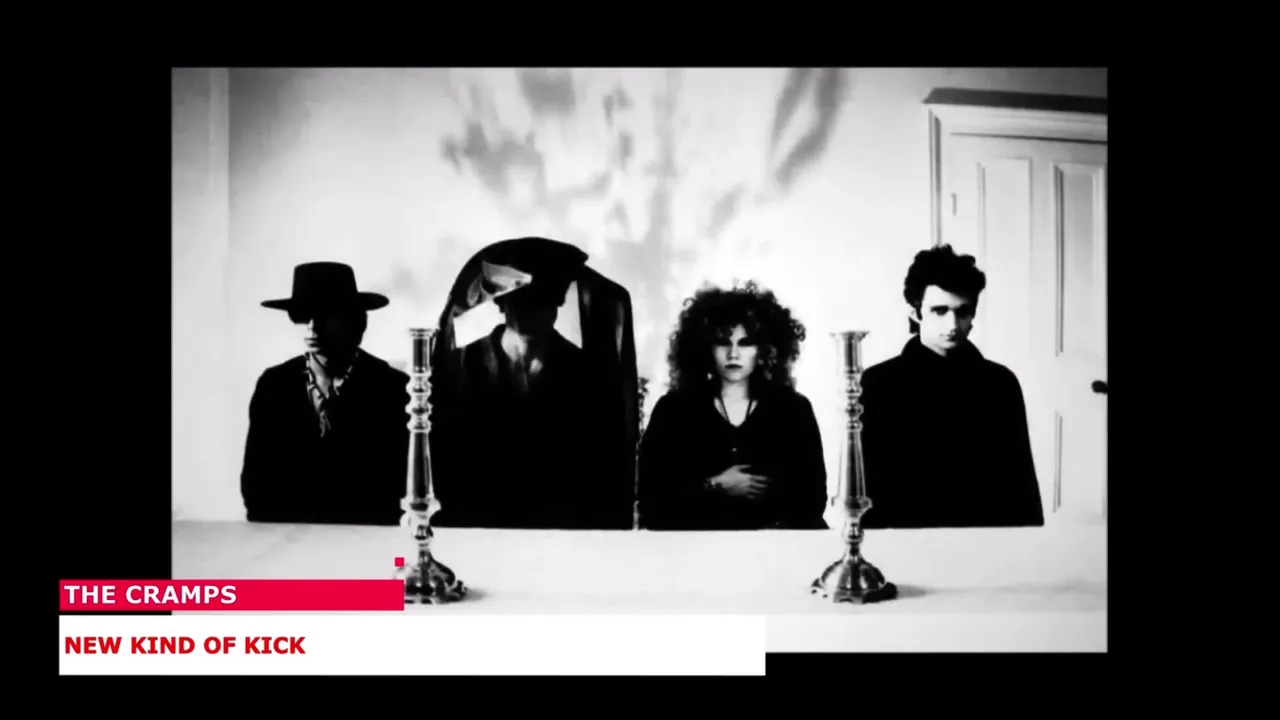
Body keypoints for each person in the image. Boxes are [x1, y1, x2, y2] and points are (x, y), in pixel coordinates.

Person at [429, 237, 639, 530]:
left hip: (562, 534)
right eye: (522, 298)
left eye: (544, 296)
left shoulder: (589, 375)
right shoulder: (463, 368)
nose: (532, 308)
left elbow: (604, 472)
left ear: (559, 300)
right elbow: (443, 460)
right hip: (477, 530)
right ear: (500, 302)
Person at [860, 245, 1044, 529]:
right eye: (939, 311)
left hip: (985, 537)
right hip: (903, 537)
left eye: (963, 312)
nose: (953, 324)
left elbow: (1020, 481)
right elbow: (867, 484)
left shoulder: (1000, 383)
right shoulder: (876, 383)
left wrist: (1027, 542)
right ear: (915, 312)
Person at [637, 281, 828, 530]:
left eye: (745, 343)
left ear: (764, 350)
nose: (733, 354)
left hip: (774, 549)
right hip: (694, 548)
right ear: (705, 347)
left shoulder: (793, 410)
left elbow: (813, 500)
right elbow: (651, 501)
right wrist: (715, 485)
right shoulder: (673, 410)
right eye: (723, 342)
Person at [240, 262, 410, 525]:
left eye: (326, 314)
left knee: (391, 555)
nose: (312, 326)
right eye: (302, 316)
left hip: (369, 539)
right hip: (287, 537)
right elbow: (255, 485)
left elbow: (396, 484)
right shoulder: (273, 385)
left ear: (356, 322)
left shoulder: (393, 387)